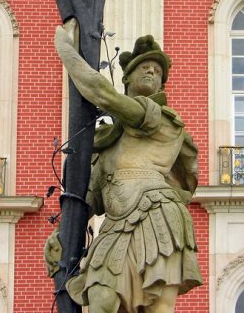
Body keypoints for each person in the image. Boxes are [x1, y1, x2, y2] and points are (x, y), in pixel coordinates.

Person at [54, 21, 202, 313]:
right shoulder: (106, 144)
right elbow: (87, 201)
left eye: (157, 71)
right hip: (115, 226)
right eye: (143, 67)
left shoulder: (160, 119)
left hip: (156, 216)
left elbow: (101, 94)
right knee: (100, 300)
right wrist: (60, 236)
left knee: (158, 306)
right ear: (127, 78)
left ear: (161, 86)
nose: (151, 71)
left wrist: (65, 49)